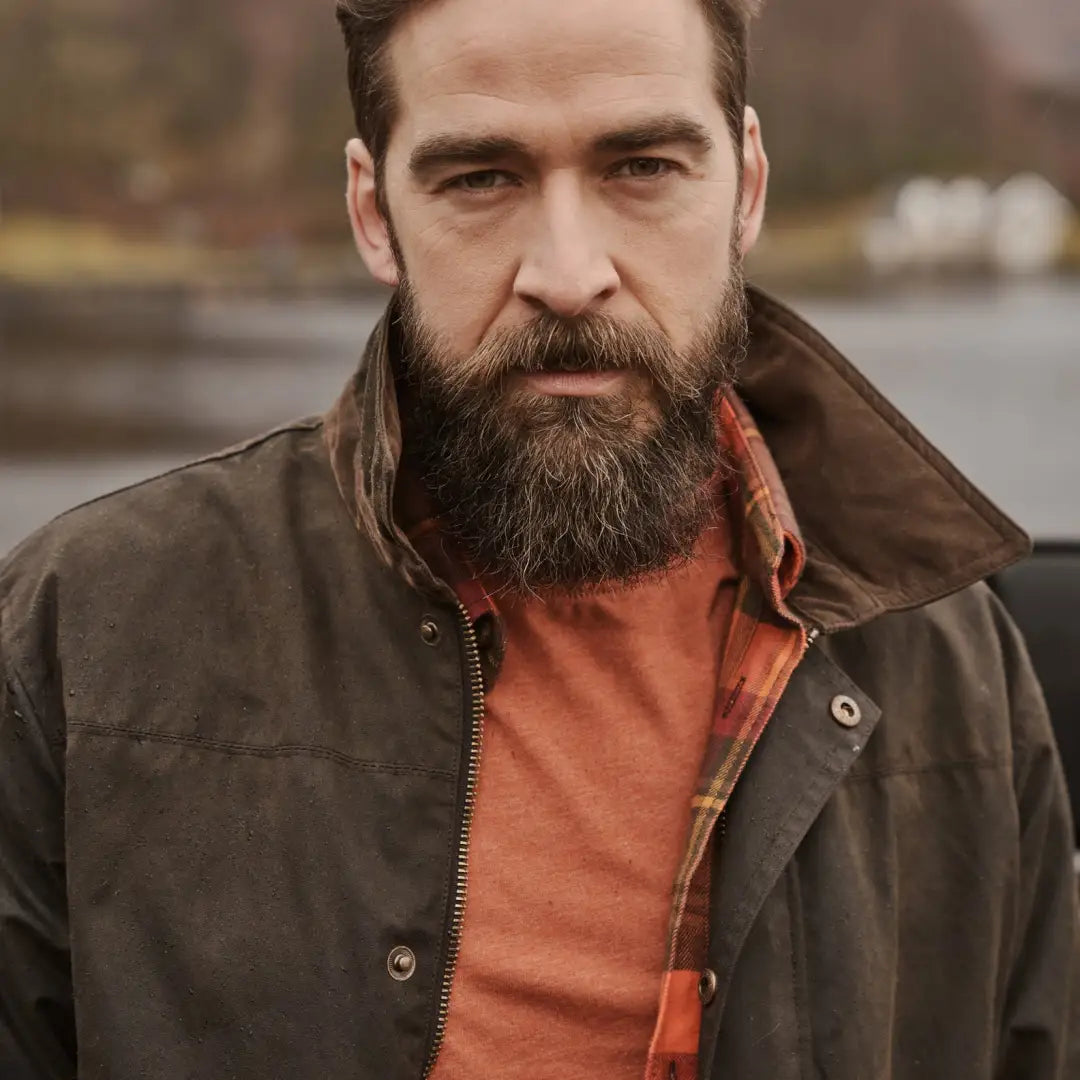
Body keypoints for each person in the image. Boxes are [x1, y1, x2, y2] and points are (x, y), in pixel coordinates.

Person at [1, 0, 1077, 1076]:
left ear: (746, 187)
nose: (568, 275)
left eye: (642, 167)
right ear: (373, 213)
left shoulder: (955, 667)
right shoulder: (81, 639)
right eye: (481, 179)